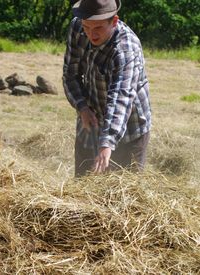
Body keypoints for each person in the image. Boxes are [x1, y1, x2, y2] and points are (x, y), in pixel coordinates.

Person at [62, 0, 152, 177]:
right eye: (86, 27)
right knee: (82, 188)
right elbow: (70, 75)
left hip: (129, 128)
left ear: (114, 21)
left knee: (124, 193)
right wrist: (82, 107)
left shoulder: (126, 50)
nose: (91, 34)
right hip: (91, 120)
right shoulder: (77, 26)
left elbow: (120, 97)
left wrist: (107, 143)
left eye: (98, 28)